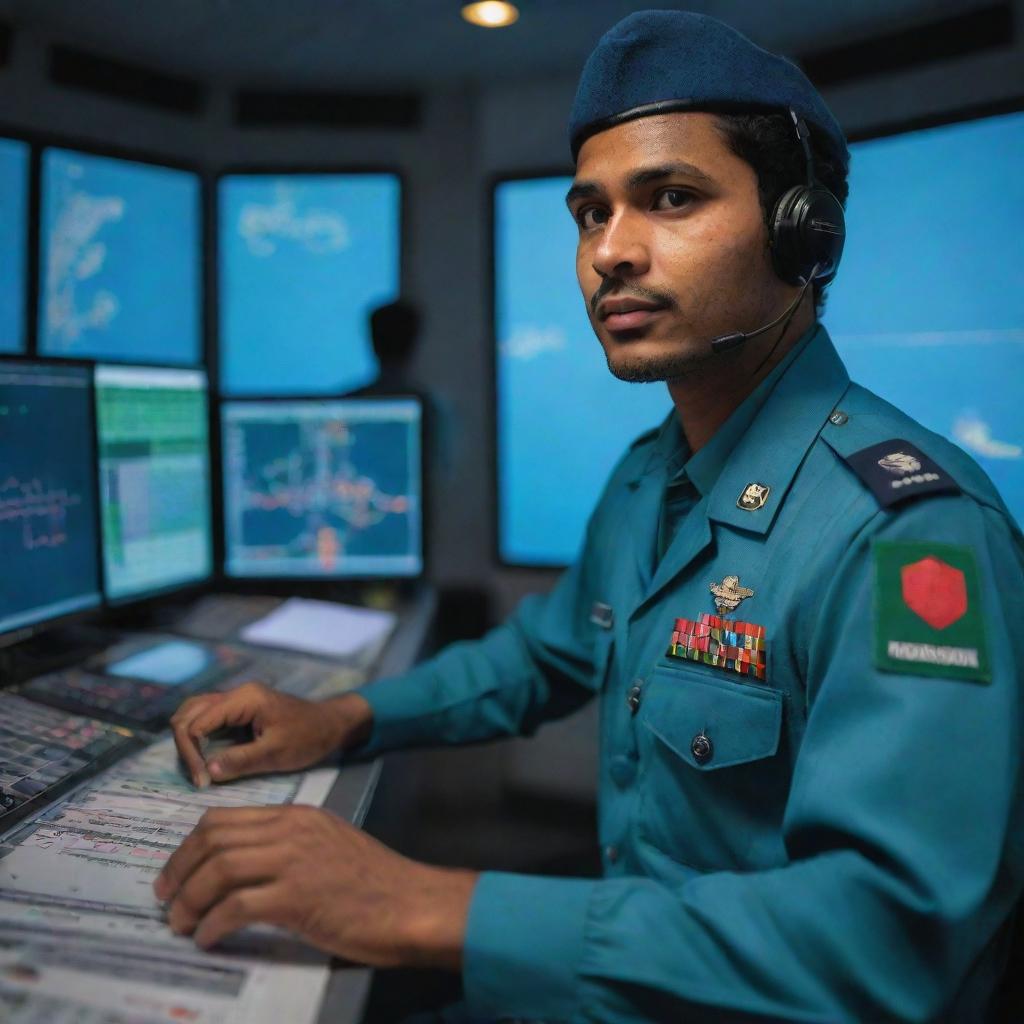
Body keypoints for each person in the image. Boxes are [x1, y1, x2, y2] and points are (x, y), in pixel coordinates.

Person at [156, 11, 1024, 1022]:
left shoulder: (908, 531)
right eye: (589, 213)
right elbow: (541, 658)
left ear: (804, 233)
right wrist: (342, 717)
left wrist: (432, 904)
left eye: (670, 198)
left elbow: (890, 941)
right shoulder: (647, 477)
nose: (610, 251)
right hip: (631, 965)